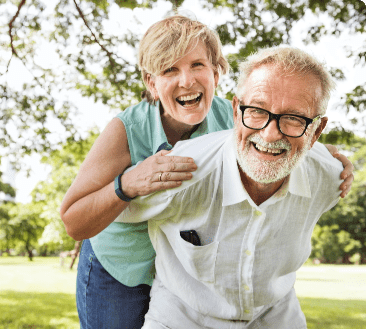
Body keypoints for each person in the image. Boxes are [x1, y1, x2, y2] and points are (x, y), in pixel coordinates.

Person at [60, 15, 353, 329]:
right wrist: (127, 183)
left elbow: (280, 129)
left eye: (197, 65)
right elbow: (74, 220)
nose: (186, 80)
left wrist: (326, 153)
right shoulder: (126, 129)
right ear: (151, 83)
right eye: (169, 69)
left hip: (181, 262)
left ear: (217, 71)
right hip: (122, 263)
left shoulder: (237, 116)